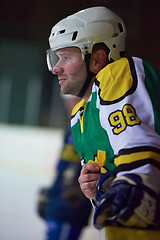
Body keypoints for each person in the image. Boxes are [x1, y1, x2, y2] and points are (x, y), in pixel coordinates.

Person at [46, 6, 160, 232]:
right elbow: (110, 191)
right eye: (56, 58)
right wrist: (95, 187)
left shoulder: (116, 73)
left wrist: (134, 184)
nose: (55, 69)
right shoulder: (80, 116)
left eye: (66, 57)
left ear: (97, 58)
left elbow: (140, 159)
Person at [37, 95, 92, 240]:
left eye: (74, 101)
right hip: (56, 206)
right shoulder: (71, 128)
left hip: (71, 209)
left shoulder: (90, 129)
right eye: (68, 102)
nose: (70, 106)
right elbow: (60, 167)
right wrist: (52, 196)